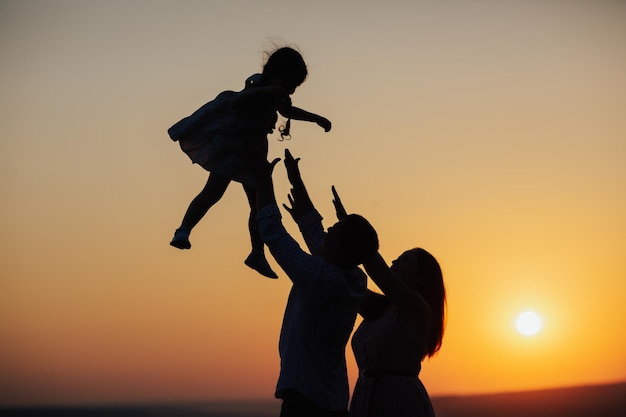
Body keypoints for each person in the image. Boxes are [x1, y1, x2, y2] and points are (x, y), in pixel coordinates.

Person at [168, 46, 331, 279]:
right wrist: (266, 92)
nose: (291, 90)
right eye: (290, 83)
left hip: (254, 154)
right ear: (275, 73)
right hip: (235, 149)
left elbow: (288, 111)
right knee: (213, 191)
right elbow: (237, 102)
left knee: (257, 205)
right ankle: (184, 229)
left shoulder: (278, 95)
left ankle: (257, 252)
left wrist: (316, 118)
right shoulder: (256, 86)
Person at [252, 149, 379, 417]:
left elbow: (274, 235)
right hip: (330, 401)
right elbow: (317, 236)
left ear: (342, 246)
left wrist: (263, 180)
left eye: (335, 229)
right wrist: (296, 181)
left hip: (305, 402)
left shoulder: (322, 277)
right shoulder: (353, 277)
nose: (329, 229)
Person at [331, 189, 446, 417]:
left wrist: (352, 232)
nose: (395, 260)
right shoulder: (381, 308)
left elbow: (378, 271)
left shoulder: (418, 309)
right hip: (365, 400)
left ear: (420, 276)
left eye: (405, 259)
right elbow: (343, 277)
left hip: (401, 402)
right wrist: (319, 227)